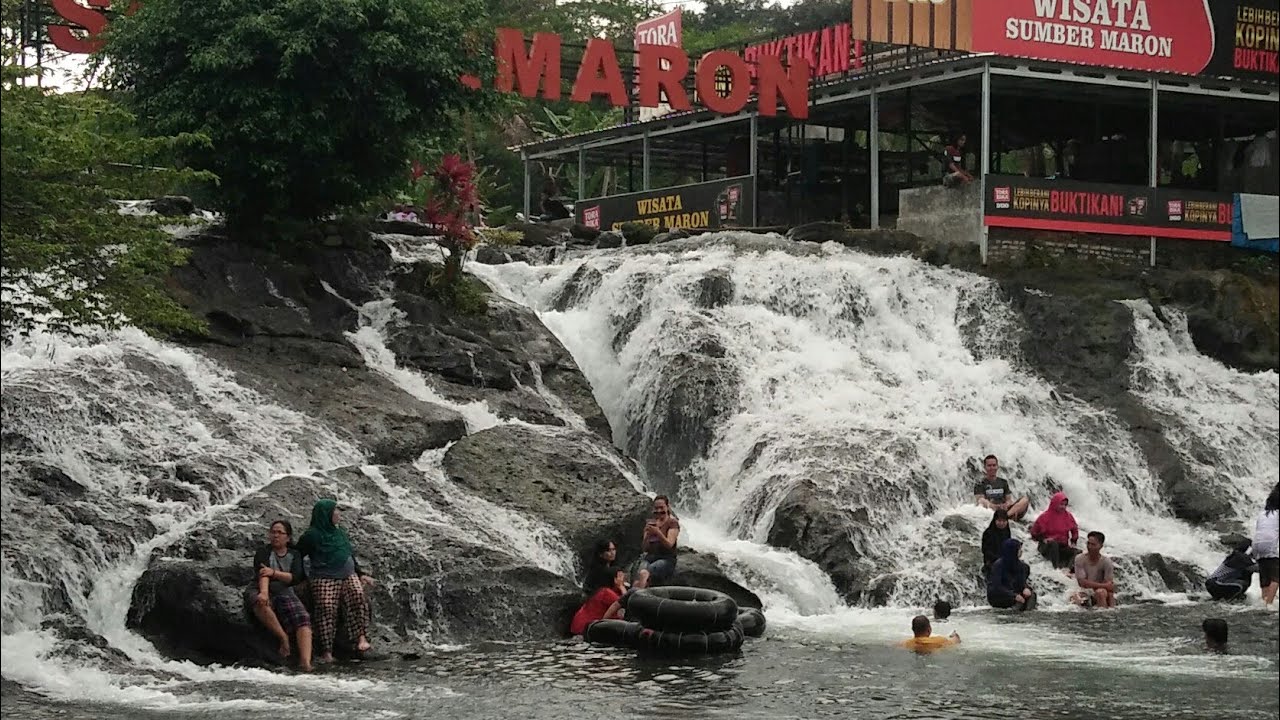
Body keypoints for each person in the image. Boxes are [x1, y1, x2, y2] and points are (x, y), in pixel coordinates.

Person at [294, 499, 376, 662]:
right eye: (335, 511)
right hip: (324, 576)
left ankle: (361, 638)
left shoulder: (339, 532)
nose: (338, 514)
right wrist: (301, 578)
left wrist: (360, 573)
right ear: (325, 515)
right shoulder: (312, 535)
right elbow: (298, 555)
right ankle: (327, 651)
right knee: (326, 608)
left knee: (358, 597)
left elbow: (348, 553)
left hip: (348, 574)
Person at [245, 520, 313, 671]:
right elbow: (263, 574)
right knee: (260, 602)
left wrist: (274, 573)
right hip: (260, 586)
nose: (275, 536)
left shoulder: (294, 554)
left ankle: (306, 663)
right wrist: (263, 593)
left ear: (288, 538)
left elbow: (295, 577)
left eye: (280, 533)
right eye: (273, 532)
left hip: (283, 589)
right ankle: (283, 638)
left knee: (303, 617)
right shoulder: (263, 551)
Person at [633, 495, 680, 589]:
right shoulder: (651, 523)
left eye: (661, 508)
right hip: (650, 557)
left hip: (666, 558)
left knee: (644, 573)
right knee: (637, 576)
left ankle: (640, 597)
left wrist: (658, 532)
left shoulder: (672, 523)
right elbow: (644, 548)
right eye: (656, 508)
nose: (659, 511)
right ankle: (635, 594)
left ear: (667, 507)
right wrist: (648, 535)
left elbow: (669, 544)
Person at [1029, 491, 1080, 570]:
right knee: (1053, 545)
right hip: (1047, 546)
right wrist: (1043, 539)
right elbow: (1034, 532)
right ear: (1055, 503)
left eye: (1065, 505)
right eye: (1061, 504)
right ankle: (1055, 569)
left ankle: (1069, 570)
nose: (1063, 507)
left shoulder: (1068, 516)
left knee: (1077, 553)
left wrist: (1073, 541)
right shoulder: (1044, 517)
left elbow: (1074, 529)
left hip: (1062, 546)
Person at [569, 566, 626, 635]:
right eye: (621, 577)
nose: (623, 579)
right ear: (614, 579)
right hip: (584, 628)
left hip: (582, 626)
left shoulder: (603, 590)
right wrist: (621, 587)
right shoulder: (606, 592)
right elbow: (628, 602)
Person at [973, 455, 1029, 520]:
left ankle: (1006, 517)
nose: (992, 468)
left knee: (1025, 500)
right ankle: (1002, 518)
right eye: (989, 466)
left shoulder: (1003, 482)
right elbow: (980, 502)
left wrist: (1006, 504)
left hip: (1004, 511)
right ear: (985, 467)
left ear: (997, 467)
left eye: (994, 465)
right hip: (990, 511)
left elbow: (1008, 500)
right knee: (981, 500)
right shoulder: (979, 483)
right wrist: (994, 506)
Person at [1072, 531, 1118, 608]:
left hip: (1101, 591)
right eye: (1088, 543)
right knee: (1074, 597)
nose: (1089, 547)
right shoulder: (1079, 559)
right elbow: (1082, 582)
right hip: (1085, 590)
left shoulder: (1106, 562)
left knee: (1100, 592)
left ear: (1101, 546)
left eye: (1093, 545)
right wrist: (1104, 585)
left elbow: (1109, 587)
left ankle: (1102, 615)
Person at [988, 538, 1036, 610]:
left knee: (1031, 595)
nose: (1021, 551)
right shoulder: (998, 565)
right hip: (999, 596)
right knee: (1018, 601)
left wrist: (1026, 588)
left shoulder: (1022, 566)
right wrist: (1013, 595)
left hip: (1015, 593)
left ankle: (1028, 613)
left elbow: (1022, 583)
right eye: (1019, 549)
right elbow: (997, 587)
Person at [1254, 484, 1279, 607]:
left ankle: (1264, 601)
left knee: (1265, 578)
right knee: (1276, 577)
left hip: (1257, 546)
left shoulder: (1262, 514)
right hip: (1270, 546)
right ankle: (1269, 605)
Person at [981, 509, 1011, 577]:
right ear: (995, 521)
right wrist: (999, 559)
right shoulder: (988, 533)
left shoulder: (1007, 531)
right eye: (999, 521)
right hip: (991, 562)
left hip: (1004, 560)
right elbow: (985, 551)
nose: (1002, 523)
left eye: (1004, 521)